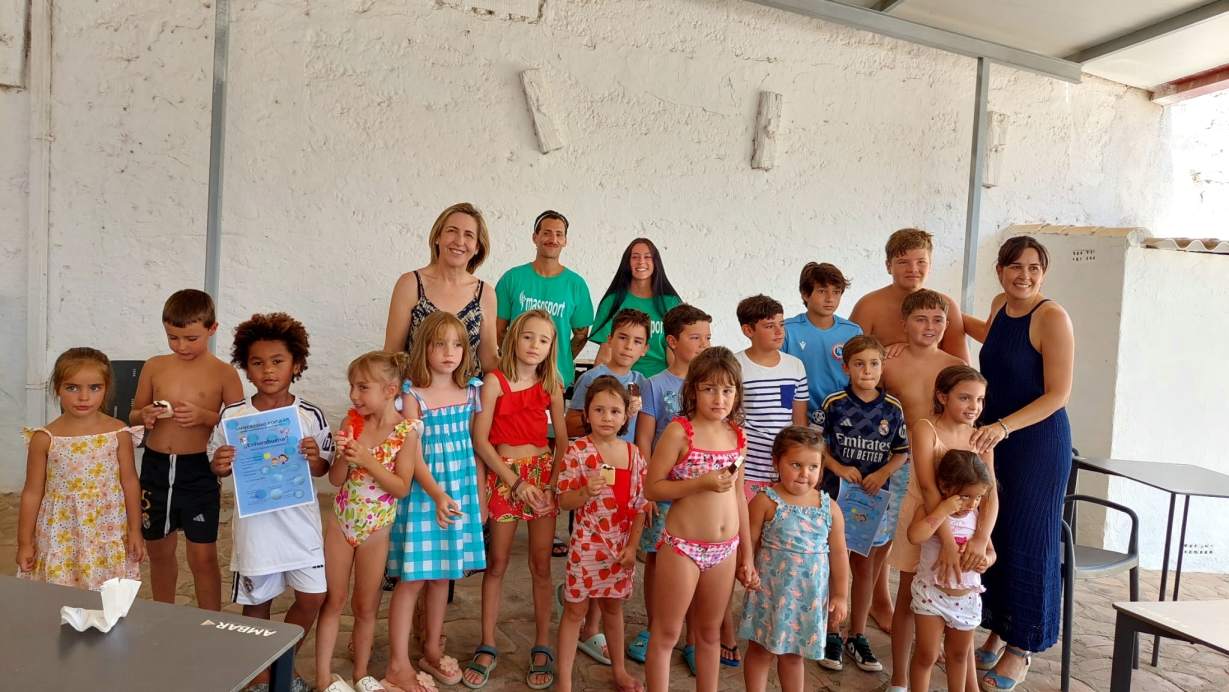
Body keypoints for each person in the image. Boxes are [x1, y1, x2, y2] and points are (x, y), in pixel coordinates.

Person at [964, 236, 1074, 691]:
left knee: (1030, 538)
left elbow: (1058, 394)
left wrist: (1005, 427)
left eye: (1033, 268)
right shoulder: (999, 304)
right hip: (995, 438)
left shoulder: (1052, 317)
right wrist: (942, 317)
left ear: (1043, 273)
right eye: (1015, 267)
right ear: (999, 270)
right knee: (999, 534)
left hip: (1035, 443)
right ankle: (999, 628)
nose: (1023, 276)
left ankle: (1021, 648)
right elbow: (994, 339)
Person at [208, 313, 334, 692]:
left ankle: (282, 664)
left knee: (314, 596)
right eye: (257, 362)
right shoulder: (233, 416)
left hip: (300, 526)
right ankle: (260, 677)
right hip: (256, 529)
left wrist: (314, 456)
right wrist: (221, 463)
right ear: (246, 367)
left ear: (296, 364)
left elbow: (323, 468)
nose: (268, 370)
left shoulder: (309, 415)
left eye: (277, 361)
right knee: (257, 605)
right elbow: (217, 466)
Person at [644, 346, 758, 692]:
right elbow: (653, 488)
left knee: (710, 634)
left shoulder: (737, 436)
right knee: (667, 632)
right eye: (709, 388)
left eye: (727, 390)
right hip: (682, 547)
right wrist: (700, 483)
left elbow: (739, 496)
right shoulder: (680, 432)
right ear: (693, 390)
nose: (718, 398)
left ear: (737, 393)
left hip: (725, 548)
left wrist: (747, 555)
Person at [384, 312, 487, 692]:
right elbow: (412, 457)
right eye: (439, 343)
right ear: (423, 347)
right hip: (424, 496)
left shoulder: (471, 391)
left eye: (457, 344)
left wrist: (479, 494)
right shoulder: (411, 395)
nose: (449, 352)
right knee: (412, 579)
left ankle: (430, 646)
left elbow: (474, 448)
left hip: (459, 496)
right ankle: (397, 663)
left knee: (444, 574)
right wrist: (437, 493)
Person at [467, 309, 567, 689]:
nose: (534, 346)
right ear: (515, 338)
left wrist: (551, 484)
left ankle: (542, 641)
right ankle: (488, 641)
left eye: (543, 340)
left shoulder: (551, 384)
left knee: (541, 565)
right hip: (505, 477)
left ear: (550, 347)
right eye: (528, 337)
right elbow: (481, 440)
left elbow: (561, 441)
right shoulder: (493, 383)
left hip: (541, 477)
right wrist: (514, 481)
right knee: (497, 562)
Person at [129, 289, 244, 610]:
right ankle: (165, 615)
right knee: (159, 552)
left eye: (191, 338)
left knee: (203, 555)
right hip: (155, 468)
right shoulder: (154, 367)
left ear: (213, 329)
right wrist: (147, 415)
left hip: (198, 471)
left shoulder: (224, 373)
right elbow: (134, 413)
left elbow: (237, 426)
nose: (182, 346)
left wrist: (205, 417)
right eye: (173, 338)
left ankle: (211, 623)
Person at [887, 364, 998, 692]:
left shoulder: (981, 437)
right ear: (942, 396)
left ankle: (968, 686)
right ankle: (899, 680)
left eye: (979, 399)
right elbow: (928, 487)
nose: (973, 406)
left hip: (967, 525)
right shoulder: (925, 428)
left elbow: (989, 493)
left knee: (959, 628)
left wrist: (980, 539)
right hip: (926, 516)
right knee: (910, 593)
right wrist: (947, 543)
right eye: (965, 397)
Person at [316, 352, 421, 692]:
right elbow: (335, 480)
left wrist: (367, 459)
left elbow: (401, 488)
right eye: (351, 387)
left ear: (390, 390)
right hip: (341, 524)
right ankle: (322, 676)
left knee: (366, 605)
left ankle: (361, 673)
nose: (354, 395)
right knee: (333, 599)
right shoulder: (352, 424)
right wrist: (346, 455)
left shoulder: (406, 432)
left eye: (362, 387)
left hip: (377, 531)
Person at [814, 335, 908, 675]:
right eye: (859, 363)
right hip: (836, 497)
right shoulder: (834, 403)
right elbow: (816, 444)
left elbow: (902, 452)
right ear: (846, 367)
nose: (867, 370)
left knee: (865, 569)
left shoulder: (892, 409)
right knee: (831, 563)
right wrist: (837, 467)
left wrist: (882, 472)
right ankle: (831, 633)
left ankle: (857, 635)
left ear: (883, 367)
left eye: (874, 363)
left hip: (873, 501)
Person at [628, 304, 712, 667]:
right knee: (657, 561)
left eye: (708, 337)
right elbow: (644, 440)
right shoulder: (654, 385)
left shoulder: (710, 386)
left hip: (701, 493)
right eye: (696, 338)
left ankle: (693, 638)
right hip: (663, 492)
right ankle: (654, 626)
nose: (705, 345)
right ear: (673, 341)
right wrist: (646, 489)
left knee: (696, 561)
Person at [18, 348, 144, 590]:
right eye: (72, 387)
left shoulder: (118, 433)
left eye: (94, 387)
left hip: (106, 530)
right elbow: (32, 492)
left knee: (107, 599)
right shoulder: (45, 438)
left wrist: (135, 530)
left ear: (106, 388)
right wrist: (25, 542)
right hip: (60, 534)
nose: (83, 397)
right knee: (59, 597)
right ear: (57, 389)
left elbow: (129, 482)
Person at [555, 377, 649, 692]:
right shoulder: (578, 451)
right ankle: (564, 682)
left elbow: (640, 506)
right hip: (587, 546)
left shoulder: (634, 455)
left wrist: (632, 546)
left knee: (613, 608)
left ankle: (619, 671)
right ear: (586, 415)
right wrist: (584, 491)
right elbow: (563, 499)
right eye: (598, 410)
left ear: (626, 416)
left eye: (614, 411)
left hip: (621, 550)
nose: (606, 417)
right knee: (574, 610)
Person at [740, 426, 849, 692]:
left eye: (813, 466)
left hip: (808, 598)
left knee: (793, 655)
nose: (805, 474)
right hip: (769, 593)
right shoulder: (765, 501)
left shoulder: (829, 508)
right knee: (760, 650)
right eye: (796, 464)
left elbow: (838, 554)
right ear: (777, 462)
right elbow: (748, 542)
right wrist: (745, 568)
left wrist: (840, 595)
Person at [907, 449, 996, 692]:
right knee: (926, 654)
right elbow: (915, 536)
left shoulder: (976, 518)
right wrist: (942, 511)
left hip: (966, 599)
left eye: (978, 498)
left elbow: (991, 552)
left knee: (958, 656)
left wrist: (985, 561)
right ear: (945, 486)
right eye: (966, 497)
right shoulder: (930, 510)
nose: (972, 504)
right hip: (931, 595)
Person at [384, 202, 498, 376]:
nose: (459, 241)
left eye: (469, 235)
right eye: (452, 231)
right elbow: (392, 356)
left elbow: (489, 362)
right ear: (437, 237)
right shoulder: (411, 284)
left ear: (477, 247)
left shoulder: (485, 293)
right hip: (417, 397)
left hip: (468, 400)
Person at [495, 210, 594, 390]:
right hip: (514, 378)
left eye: (559, 234)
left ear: (565, 240)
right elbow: (499, 330)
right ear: (535, 237)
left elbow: (581, 335)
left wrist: (561, 358)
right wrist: (513, 358)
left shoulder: (576, 285)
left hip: (557, 380)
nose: (553, 239)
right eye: (546, 233)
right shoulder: (512, 279)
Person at [849, 228, 969, 362]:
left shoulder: (948, 306)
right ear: (888, 266)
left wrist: (914, 349)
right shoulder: (868, 307)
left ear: (931, 265)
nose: (913, 269)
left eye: (921, 262)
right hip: (883, 381)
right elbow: (849, 360)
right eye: (903, 262)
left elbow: (962, 369)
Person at [734, 295, 809, 501]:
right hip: (748, 470)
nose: (779, 332)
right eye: (769, 326)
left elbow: (799, 421)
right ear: (748, 331)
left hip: (785, 472)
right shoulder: (734, 365)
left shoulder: (795, 366)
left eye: (781, 324)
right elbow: (729, 421)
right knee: (748, 528)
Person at [590, 238, 683, 377]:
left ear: (656, 263)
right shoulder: (612, 302)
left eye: (647, 257)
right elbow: (605, 353)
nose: (641, 262)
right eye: (635, 257)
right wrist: (599, 385)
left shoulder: (671, 303)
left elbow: (675, 354)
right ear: (627, 263)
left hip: (660, 383)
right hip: (621, 382)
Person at [782, 262, 862, 419]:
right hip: (800, 419)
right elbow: (782, 378)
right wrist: (787, 417)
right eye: (822, 291)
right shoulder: (787, 330)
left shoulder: (853, 331)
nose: (830, 299)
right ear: (805, 294)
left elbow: (859, 377)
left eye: (836, 292)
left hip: (842, 418)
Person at [566, 308, 650, 443]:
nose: (629, 346)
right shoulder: (592, 378)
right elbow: (569, 426)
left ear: (645, 349)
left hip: (626, 459)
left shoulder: (642, 383)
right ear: (610, 339)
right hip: (594, 458)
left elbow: (644, 431)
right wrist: (608, 412)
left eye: (637, 341)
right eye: (623, 338)